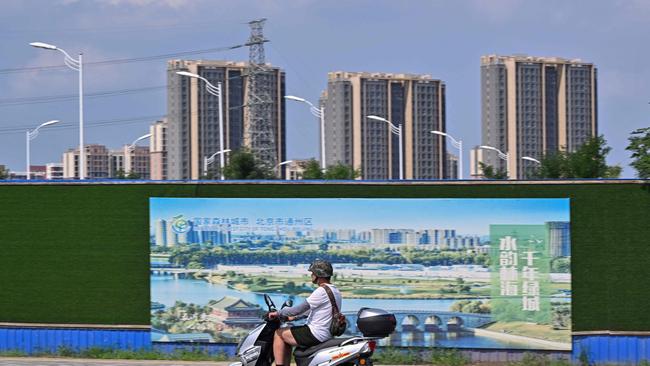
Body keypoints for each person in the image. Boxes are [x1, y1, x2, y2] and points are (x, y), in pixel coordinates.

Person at [268, 260, 342, 366]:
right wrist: (294, 318)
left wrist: (278, 313)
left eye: (312, 273)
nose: (311, 275)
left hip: (315, 333)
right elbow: (310, 311)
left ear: (318, 274)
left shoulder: (321, 291)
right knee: (287, 337)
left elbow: (298, 309)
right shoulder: (335, 290)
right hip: (326, 333)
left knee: (279, 333)